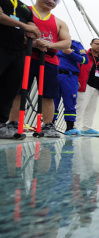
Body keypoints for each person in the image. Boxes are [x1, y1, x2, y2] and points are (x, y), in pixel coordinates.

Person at [8, 0, 71, 138]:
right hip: (25, 57)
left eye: (55, 0)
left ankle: (48, 125)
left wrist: (49, 44)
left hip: (49, 61)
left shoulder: (59, 22)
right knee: (19, 91)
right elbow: (13, 30)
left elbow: (67, 42)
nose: (51, 2)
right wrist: (33, 43)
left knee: (49, 94)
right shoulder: (25, 11)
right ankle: (13, 122)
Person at [0, 0, 40, 138]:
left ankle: (1, 123)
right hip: (2, 45)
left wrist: (33, 31)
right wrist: (24, 26)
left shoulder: (24, 7)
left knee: (11, 87)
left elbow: (31, 24)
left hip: (18, 50)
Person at [54, 39, 88, 135]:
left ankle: (69, 127)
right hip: (53, 74)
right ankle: (49, 125)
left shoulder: (75, 44)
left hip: (70, 76)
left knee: (70, 102)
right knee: (52, 101)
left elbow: (85, 60)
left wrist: (70, 53)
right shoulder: (52, 41)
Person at [75, 38, 99, 135]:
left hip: (96, 86)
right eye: (97, 44)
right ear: (91, 44)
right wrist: (76, 80)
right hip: (85, 84)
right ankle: (74, 127)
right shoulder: (83, 55)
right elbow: (77, 67)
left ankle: (86, 128)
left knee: (91, 109)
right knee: (80, 106)